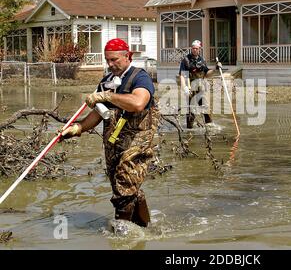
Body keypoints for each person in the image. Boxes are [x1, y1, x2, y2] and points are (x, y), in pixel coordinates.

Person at [60, 38, 159, 228]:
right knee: (123, 186)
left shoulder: (140, 77)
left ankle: (121, 235)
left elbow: (138, 103)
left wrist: (107, 95)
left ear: (127, 56)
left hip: (138, 140)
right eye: (108, 60)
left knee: (124, 185)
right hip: (113, 140)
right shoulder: (106, 81)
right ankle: (145, 229)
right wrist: (78, 128)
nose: (111, 64)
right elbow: (97, 113)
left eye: (115, 60)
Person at [179, 40, 222, 129]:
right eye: (193, 48)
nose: (194, 50)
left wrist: (215, 69)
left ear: (199, 49)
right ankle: (189, 129)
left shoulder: (202, 60)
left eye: (196, 48)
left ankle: (209, 126)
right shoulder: (186, 60)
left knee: (206, 107)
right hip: (191, 88)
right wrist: (185, 88)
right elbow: (182, 76)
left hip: (201, 87)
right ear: (191, 49)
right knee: (191, 111)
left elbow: (207, 74)